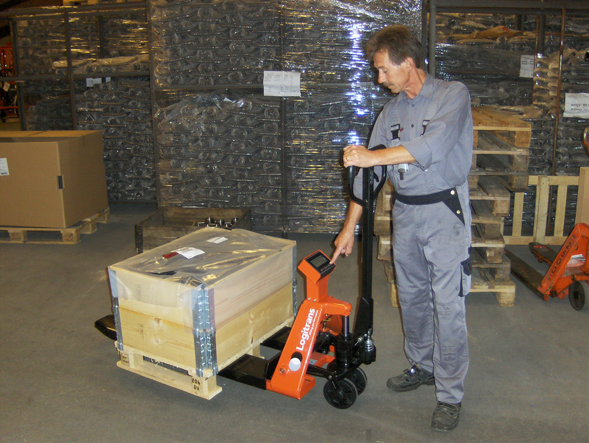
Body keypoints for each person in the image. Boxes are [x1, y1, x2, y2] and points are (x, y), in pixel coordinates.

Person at [330, 25, 473, 432]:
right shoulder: (391, 112)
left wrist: (371, 157)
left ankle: (450, 395)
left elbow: (434, 146)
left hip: (444, 212)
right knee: (411, 298)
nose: (379, 78)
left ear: (408, 63)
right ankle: (422, 366)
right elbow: (368, 176)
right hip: (405, 214)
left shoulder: (452, 95)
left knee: (447, 304)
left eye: (383, 69)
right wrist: (348, 229)